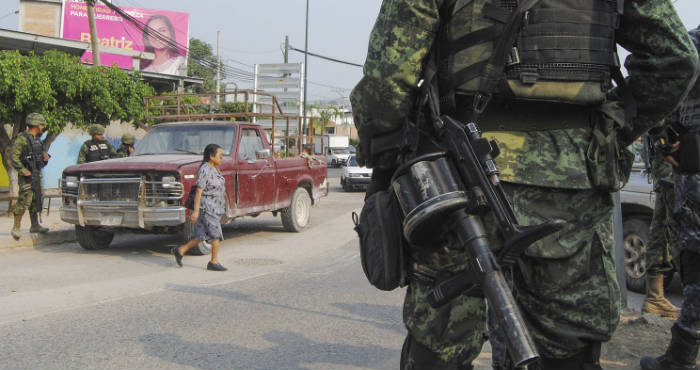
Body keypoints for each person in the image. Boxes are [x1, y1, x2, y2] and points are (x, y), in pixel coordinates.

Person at [350, 1, 699, 369]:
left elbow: (387, 77)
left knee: (442, 343)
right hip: (569, 181)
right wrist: (606, 131)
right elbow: (676, 60)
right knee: (568, 345)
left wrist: (385, 161)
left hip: (455, 179)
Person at [641, 25, 700, 370]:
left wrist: (664, 132)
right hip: (691, 157)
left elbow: (662, 83)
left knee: (695, 258)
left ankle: (682, 353)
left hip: (694, 163)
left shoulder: (689, 44)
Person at [171, 143, 227, 271]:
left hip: (215, 207)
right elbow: (199, 190)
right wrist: (195, 211)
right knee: (216, 235)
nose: (221, 158)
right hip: (207, 208)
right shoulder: (205, 169)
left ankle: (180, 250)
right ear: (211, 156)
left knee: (200, 235)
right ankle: (214, 261)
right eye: (220, 155)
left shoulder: (215, 169)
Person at [643, 130, 681, 319]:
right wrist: (665, 145)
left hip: (672, 166)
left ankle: (655, 297)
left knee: (662, 228)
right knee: (680, 231)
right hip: (673, 167)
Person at [10, 113, 50, 240]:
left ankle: (35, 225)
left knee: (36, 199)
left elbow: (41, 158)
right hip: (27, 175)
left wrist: (45, 158)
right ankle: (16, 227)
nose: (43, 127)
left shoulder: (37, 140)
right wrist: (22, 170)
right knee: (24, 200)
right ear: (37, 125)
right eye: (42, 124)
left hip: (37, 174)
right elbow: (13, 157)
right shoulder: (22, 139)